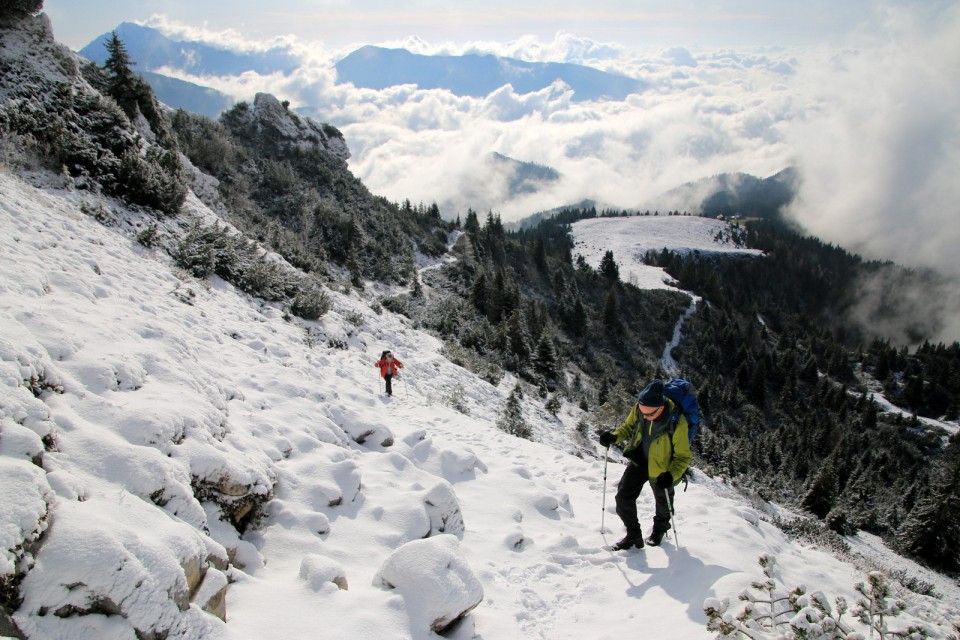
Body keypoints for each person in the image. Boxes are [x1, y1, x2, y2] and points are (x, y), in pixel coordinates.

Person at [598, 380, 692, 550]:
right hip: (640, 459)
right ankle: (634, 535)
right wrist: (614, 436)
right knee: (623, 497)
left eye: (649, 414)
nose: (645, 417)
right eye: (642, 412)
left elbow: (683, 457)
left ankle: (659, 530)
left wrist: (671, 475)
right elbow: (628, 427)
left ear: (661, 408)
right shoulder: (641, 409)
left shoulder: (678, 422)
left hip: (663, 469)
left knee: (664, 505)